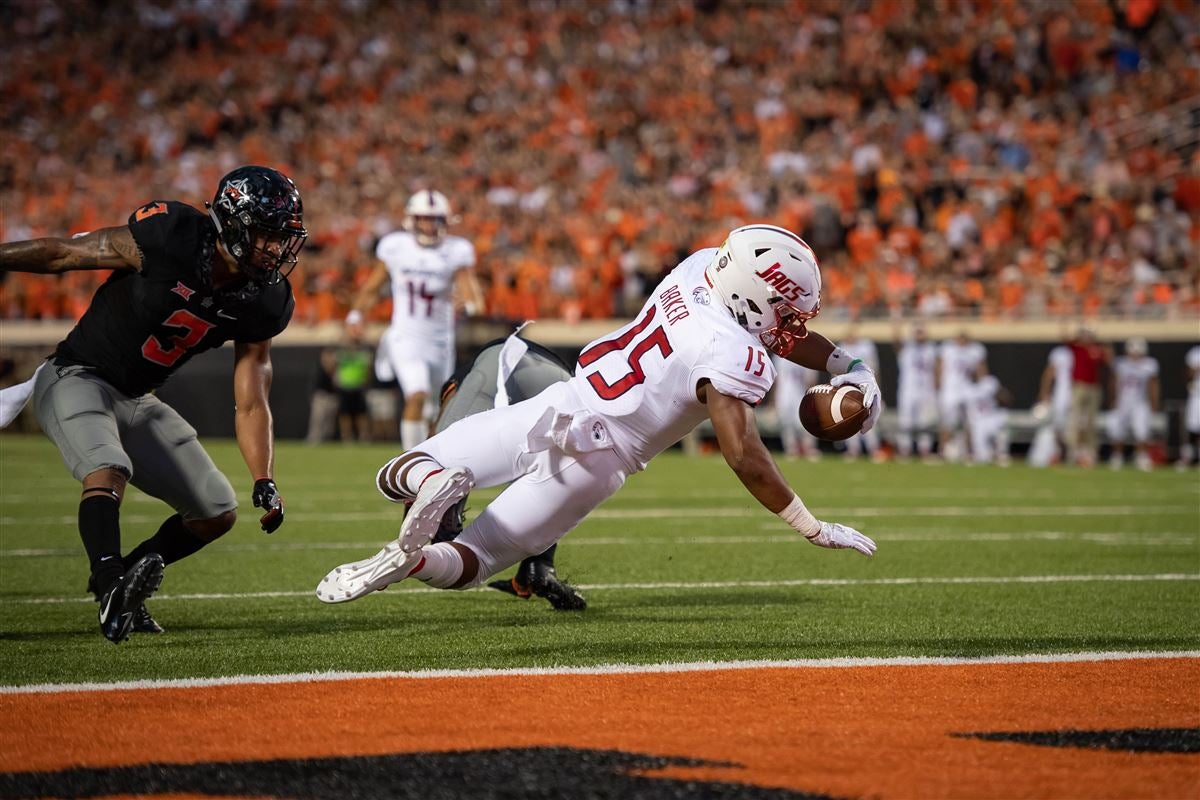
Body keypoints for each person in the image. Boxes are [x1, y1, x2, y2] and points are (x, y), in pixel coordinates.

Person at [316, 224, 879, 605]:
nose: (792, 323)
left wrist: (842, 362)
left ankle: (433, 482)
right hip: (599, 461)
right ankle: (411, 564)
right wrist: (810, 525)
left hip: (562, 402)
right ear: (754, 296)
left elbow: (776, 332)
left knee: (400, 469)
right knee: (475, 560)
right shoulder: (733, 354)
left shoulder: (701, 268)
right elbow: (743, 454)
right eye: (786, 309)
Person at [0, 166, 305, 643]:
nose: (273, 248)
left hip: (137, 397)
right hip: (76, 374)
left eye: (280, 237)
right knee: (107, 467)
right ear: (231, 220)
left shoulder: (264, 299)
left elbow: (251, 398)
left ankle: (123, 582)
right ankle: (109, 588)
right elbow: (63, 253)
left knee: (215, 510)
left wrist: (263, 477)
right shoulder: (171, 236)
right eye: (264, 233)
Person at [428, 332, 587, 610]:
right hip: (568, 386)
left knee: (441, 460)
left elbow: (438, 443)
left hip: (506, 359)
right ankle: (538, 569)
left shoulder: (464, 380)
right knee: (547, 478)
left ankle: (447, 524)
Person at [345, 190, 486, 451]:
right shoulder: (396, 247)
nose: (429, 225)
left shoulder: (456, 250)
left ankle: (428, 461)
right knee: (417, 394)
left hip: (440, 341)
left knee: (436, 408)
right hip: (405, 336)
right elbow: (373, 286)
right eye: (423, 218)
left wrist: (466, 305)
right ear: (412, 219)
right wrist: (356, 313)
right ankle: (410, 463)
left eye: (435, 219)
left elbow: (474, 297)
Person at [1107, 337, 1159, 471]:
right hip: (1123, 401)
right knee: (1118, 430)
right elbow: (1114, 382)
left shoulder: (1149, 364)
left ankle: (1141, 456)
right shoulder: (1121, 363)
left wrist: (1153, 402)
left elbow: (1153, 385)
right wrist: (1113, 399)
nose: (1135, 354)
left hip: (1140, 402)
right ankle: (1117, 456)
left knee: (1141, 430)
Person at [937, 331, 987, 462]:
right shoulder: (948, 349)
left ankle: (968, 452)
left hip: (967, 390)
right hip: (950, 390)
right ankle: (943, 451)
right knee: (947, 423)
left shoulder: (975, 350)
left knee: (969, 422)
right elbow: (940, 367)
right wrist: (938, 386)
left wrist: (981, 388)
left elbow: (981, 371)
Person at [892, 322, 939, 460]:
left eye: (921, 331)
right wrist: (896, 322)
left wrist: (937, 389)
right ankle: (905, 450)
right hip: (908, 389)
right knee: (906, 420)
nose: (919, 334)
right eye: (917, 332)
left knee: (925, 421)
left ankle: (925, 450)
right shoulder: (907, 347)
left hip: (926, 390)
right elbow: (896, 342)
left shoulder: (931, 348)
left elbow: (936, 370)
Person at [1066, 327, 1110, 467]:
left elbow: (1107, 361)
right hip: (1079, 386)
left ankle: (1091, 451)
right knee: (1075, 420)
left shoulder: (1096, 350)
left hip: (1093, 387)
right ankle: (1073, 450)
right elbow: (1065, 337)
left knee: (1090, 421)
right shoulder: (1077, 348)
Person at [840, 325, 882, 461]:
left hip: (865, 388)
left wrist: (877, 388)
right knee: (848, 419)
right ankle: (853, 449)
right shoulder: (841, 348)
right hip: (848, 389)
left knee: (869, 417)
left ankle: (873, 448)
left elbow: (874, 370)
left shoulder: (866, 346)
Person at [1029, 339, 1074, 467]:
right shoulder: (1060, 353)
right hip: (1062, 394)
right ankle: (1058, 453)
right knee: (1057, 426)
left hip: (1079, 391)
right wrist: (1044, 392)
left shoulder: (1085, 352)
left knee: (1075, 425)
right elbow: (1049, 373)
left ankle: (1075, 455)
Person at [769, 354, 821, 461]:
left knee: (804, 422)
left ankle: (808, 447)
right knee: (786, 422)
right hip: (783, 394)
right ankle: (791, 448)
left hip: (800, 393)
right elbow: (776, 380)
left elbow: (810, 379)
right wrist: (773, 399)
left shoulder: (805, 355)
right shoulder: (779, 357)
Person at [964, 373, 1011, 466]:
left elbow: (1005, 397)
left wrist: (1000, 395)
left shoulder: (990, 382)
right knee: (983, 458)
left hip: (992, 417)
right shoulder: (965, 388)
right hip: (978, 422)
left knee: (1003, 419)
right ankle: (985, 454)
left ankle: (1002, 454)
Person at [1180, 345, 1200, 469]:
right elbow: (1188, 374)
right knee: (1192, 428)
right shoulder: (1195, 352)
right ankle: (1187, 458)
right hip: (1196, 395)